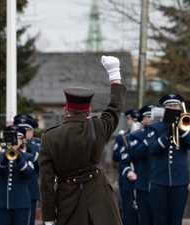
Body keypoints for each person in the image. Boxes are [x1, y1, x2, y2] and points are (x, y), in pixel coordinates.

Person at [38, 55, 126, 225]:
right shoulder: (99, 127)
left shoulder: (49, 138)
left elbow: (46, 184)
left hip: (68, 202)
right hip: (101, 201)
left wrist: (48, 219)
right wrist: (114, 73)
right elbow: (116, 106)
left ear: (65, 110)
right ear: (88, 112)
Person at [147, 93, 190, 225]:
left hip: (180, 182)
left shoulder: (186, 126)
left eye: (175, 106)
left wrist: (182, 131)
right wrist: (166, 135)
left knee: (176, 220)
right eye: (169, 106)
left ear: (180, 108)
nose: (173, 108)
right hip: (159, 182)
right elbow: (152, 149)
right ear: (164, 109)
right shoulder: (155, 127)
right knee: (159, 220)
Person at [119, 104, 158, 225]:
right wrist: (129, 172)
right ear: (143, 119)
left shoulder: (165, 134)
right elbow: (125, 160)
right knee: (144, 219)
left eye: (155, 116)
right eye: (149, 116)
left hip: (162, 185)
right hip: (144, 185)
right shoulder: (136, 136)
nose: (152, 119)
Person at [0, 125, 35, 225]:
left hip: (21, 203)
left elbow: (29, 174)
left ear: (22, 141)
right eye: (11, 139)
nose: (14, 141)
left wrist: (19, 158)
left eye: (18, 139)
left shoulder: (28, 157)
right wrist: (5, 158)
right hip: (2, 203)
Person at [113, 109, 140, 225]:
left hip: (140, 175)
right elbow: (116, 156)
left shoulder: (142, 135)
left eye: (135, 120)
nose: (132, 122)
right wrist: (127, 150)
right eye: (130, 119)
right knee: (127, 207)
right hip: (126, 177)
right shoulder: (122, 137)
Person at [14, 114, 40, 225]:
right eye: (20, 130)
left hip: (30, 190)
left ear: (32, 132)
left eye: (26, 130)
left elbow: (38, 161)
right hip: (13, 191)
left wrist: (25, 148)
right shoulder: (10, 146)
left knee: (28, 221)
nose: (23, 133)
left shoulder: (37, 145)